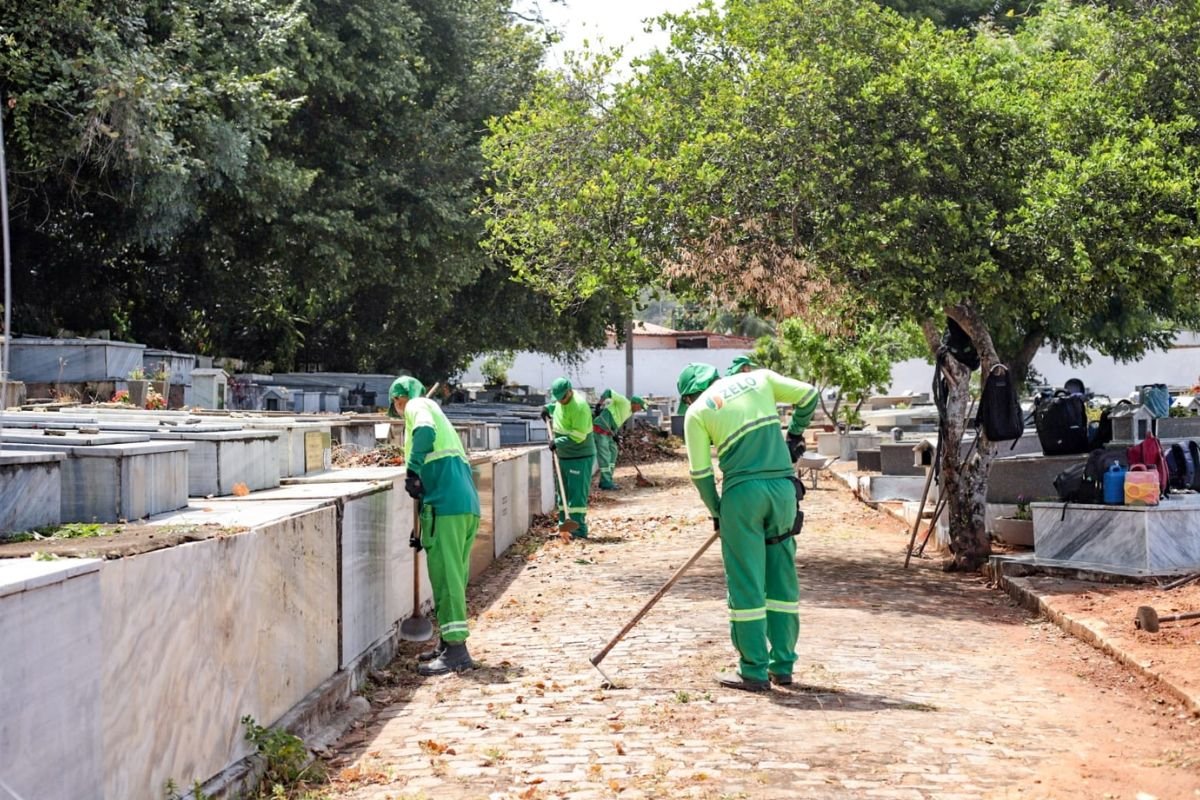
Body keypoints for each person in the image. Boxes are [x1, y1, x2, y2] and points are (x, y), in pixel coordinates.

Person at [678, 362, 819, 691]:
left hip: (742, 496)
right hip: (783, 491)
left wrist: (718, 510)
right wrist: (795, 433)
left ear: (689, 395)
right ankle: (782, 666)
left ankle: (753, 671)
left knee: (746, 583)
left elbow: (699, 474)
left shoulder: (697, 412)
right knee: (782, 580)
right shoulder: (759, 378)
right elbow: (809, 395)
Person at [389, 376, 480, 675]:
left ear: (400, 398)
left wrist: (413, 470)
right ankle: (447, 642)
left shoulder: (418, 405)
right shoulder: (438, 413)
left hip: (446, 507)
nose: (397, 410)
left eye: (395, 404)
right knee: (453, 576)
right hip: (462, 504)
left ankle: (457, 651)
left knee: (447, 578)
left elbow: (424, 433)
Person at [542, 377, 596, 537]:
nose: (561, 401)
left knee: (576, 496)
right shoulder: (561, 401)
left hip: (579, 456)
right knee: (563, 495)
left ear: (570, 391)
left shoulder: (579, 407)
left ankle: (578, 530)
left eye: (563, 398)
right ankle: (564, 529)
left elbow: (578, 436)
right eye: (557, 399)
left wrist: (557, 442)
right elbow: (558, 408)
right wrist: (548, 409)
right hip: (563, 455)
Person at [592, 389, 645, 490]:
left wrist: (616, 435)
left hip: (609, 432)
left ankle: (607, 480)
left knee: (614, 451)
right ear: (635, 403)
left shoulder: (629, 412)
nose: (640, 409)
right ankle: (606, 482)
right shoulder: (624, 402)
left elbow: (616, 420)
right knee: (605, 455)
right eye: (640, 407)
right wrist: (599, 405)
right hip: (600, 429)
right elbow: (608, 392)